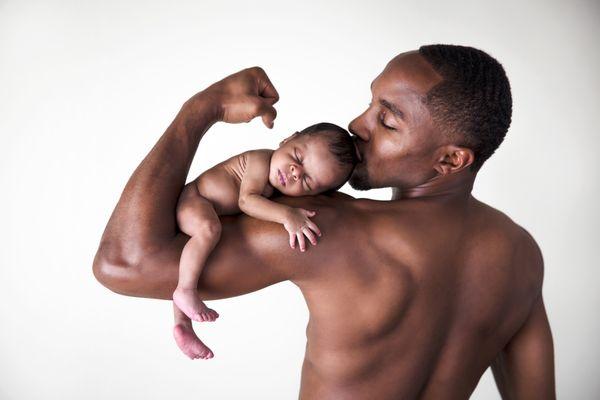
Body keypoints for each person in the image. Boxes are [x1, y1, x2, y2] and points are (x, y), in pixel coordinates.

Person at [93, 44, 556, 399]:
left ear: (451, 159)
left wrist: (201, 110)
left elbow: (122, 265)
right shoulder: (521, 254)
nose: (357, 124)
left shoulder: (322, 226)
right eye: (370, 103)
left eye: (387, 122)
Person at [173, 122, 356, 360]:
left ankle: (182, 325)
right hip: (195, 199)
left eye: (307, 180)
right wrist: (288, 216)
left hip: (206, 208)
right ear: (289, 138)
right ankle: (185, 290)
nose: (295, 172)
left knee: (191, 260)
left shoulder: (278, 188)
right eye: (297, 157)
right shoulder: (261, 160)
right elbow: (247, 201)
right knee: (208, 230)